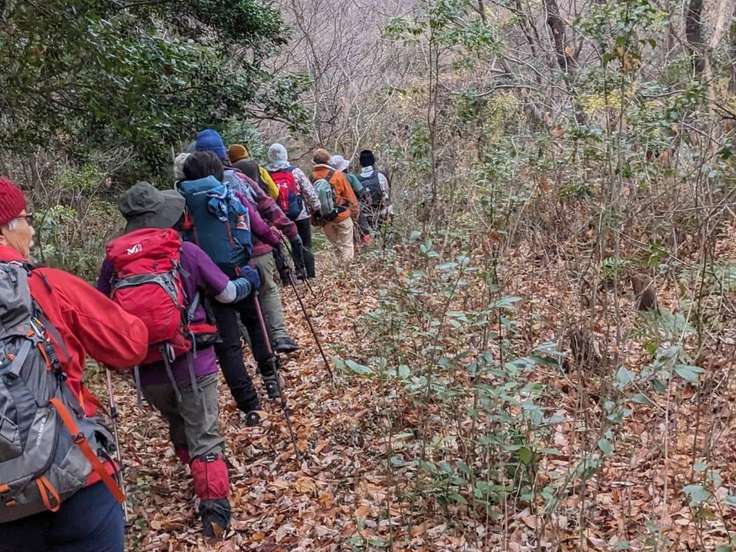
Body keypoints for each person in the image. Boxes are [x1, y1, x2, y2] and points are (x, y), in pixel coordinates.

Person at [96, 182, 258, 539]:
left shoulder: (115, 262)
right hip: (193, 360)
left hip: (147, 370)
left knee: (178, 420)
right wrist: (250, 280)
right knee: (205, 433)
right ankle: (214, 510)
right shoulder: (185, 251)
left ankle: (195, 470)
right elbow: (227, 293)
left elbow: (101, 311)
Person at [0, 178, 148, 552]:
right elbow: (130, 345)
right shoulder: (46, 285)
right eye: (26, 218)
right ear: (5, 228)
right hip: (76, 482)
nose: (32, 230)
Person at [180, 152, 285, 425]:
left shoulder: (181, 205)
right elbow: (258, 226)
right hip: (241, 272)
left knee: (228, 345)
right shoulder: (231, 195)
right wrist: (279, 241)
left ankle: (249, 405)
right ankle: (271, 380)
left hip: (206, 282)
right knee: (256, 325)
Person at [194, 130, 302, 354]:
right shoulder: (239, 178)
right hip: (258, 246)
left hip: (219, 259)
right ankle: (279, 335)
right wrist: (289, 231)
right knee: (268, 290)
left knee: (240, 306)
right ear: (222, 154)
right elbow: (267, 204)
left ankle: (263, 352)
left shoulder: (192, 190)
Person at [267, 143, 320, 279]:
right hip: (300, 214)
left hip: (279, 217)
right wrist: (316, 207)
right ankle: (309, 274)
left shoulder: (266, 175)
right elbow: (309, 191)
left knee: (283, 245)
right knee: (305, 244)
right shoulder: (295, 171)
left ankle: (289, 275)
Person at [311, 148, 359, 262]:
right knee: (347, 246)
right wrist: (354, 212)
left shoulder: (311, 177)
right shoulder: (337, 175)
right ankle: (347, 270)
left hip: (325, 219)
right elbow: (350, 196)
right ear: (328, 160)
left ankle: (337, 269)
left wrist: (314, 220)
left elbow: (309, 200)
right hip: (342, 216)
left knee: (336, 247)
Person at [329, 154, 372, 246]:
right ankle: (366, 242)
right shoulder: (350, 177)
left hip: (336, 211)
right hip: (352, 207)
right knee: (363, 223)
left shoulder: (330, 179)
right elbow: (361, 192)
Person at [357, 149, 392, 232]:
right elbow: (387, 191)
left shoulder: (356, 179)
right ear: (373, 161)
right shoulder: (381, 175)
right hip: (383, 213)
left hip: (365, 217)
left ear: (360, 163)